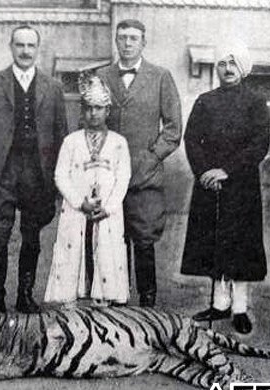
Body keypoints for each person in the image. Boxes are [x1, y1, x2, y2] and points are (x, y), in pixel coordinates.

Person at [0, 25, 68, 313]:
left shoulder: (53, 87)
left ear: (38, 49)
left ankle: (25, 295)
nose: (25, 51)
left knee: (32, 235)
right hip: (3, 170)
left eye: (30, 46)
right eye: (20, 45)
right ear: (11, 47)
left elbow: (61, 132)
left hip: (38, 172)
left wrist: (61, 176)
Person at [180, 41, 270, 334]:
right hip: (209, 185)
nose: (228, 69)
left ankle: (240, 308)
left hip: (241, 186)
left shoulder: (256, 102)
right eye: (222, 63)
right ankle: (219, 304)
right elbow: (191, 139)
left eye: (233, 64)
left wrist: (226, 171)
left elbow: (259, 144)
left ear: (242, 69)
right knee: (214, 242)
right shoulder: (205, 101)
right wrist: (205, 171)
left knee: (241, 246)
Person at [97, 19, 182, 307]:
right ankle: (116, 299)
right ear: (116, 42)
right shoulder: (101, 76)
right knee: (112, 239)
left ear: (143, 43)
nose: (128, 43)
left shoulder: (161, 77)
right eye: (122, 38)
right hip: (108, 174)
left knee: (144, 238)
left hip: (145, 176)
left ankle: (147, 304)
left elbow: (173, 128)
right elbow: (91, 122)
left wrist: (151, 157)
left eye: (134, 38)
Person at [45, 75, 131, 307]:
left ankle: (103, 300)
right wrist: (78, 202)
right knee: (74, 252)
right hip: (77, 211)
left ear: (108, 111)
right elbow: (60, 176)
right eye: (89, 108)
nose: (93, 113)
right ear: (82, 111)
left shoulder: (118, 143)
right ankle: (71, 301)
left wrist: (109, 207)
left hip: (107, 213)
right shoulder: (71, 142)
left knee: (104, 251)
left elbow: (123, 178)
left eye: (99, 108)